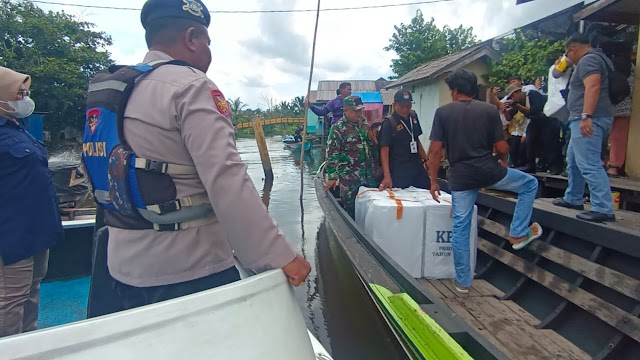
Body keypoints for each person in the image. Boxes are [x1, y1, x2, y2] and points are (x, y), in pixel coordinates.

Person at [84, 0, 310, 311]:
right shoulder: (190, 86)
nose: (209, 51)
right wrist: (279, 256)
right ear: (192, 38)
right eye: (207, 41)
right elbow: (227, 180)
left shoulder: (119, 89)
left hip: (123, 266)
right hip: (189, 270)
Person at [427, 69, 542, 294]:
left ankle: (462, 282)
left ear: (455, 91)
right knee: (529, 184)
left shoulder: (443, 113)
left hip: (460, 177)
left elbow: (434, 151)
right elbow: (501, 147)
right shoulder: (489, 111)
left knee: (460, 227)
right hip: (488, 171)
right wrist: (503, 161)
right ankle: (518, 232)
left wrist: (433, 181)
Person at [0, 67, 63, 337]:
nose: (24, 99)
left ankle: (29, 343)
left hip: (37, 228)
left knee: (32, 290)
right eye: (19, 93)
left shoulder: (18, 128)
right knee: (10, 300)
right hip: (11, 232)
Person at [553, 33, 616, 222]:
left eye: (567, 54)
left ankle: (603, 207)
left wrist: (586, 115)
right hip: (585, 119)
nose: (568, 59)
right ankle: (573, 198)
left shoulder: (589, 61)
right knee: (573, 161)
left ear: (573, 49)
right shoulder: (596, 59)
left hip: (590, 119)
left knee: (589, 163)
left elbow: (593, 86)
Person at [324, 96, 377, 217]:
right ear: (345, 111)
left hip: (368, 175)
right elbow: (332, 153)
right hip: (349, 178)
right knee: (351, 209)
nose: (358, 113)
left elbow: (370, 145)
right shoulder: (338, 128)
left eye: (360, 110)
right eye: (355, 110)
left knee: (370, 207)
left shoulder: (364, 123)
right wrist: (332, 176)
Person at [378, 90, 430, 190]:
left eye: (408, 105)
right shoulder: (389, 122)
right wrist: (387, 175)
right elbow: (384, 150)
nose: (405, 109)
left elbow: (416, 140)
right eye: (402, 106)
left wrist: (426, 160)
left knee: (424, 193)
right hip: (399, 168)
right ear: (394, 104)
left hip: (416, 166)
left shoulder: (413, 116)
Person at [505, 84, 563, 174]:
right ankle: (531, 166)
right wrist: (504, 110)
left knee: (549, 143)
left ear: (519, 92)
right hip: (535, 121)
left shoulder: (532, 94)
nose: (513, 98)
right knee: (529, 141)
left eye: (513, 95)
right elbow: (509, 117)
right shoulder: (518, 103)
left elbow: (535, 110)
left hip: (548, 119)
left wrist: (517, 106)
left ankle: (554, 167)